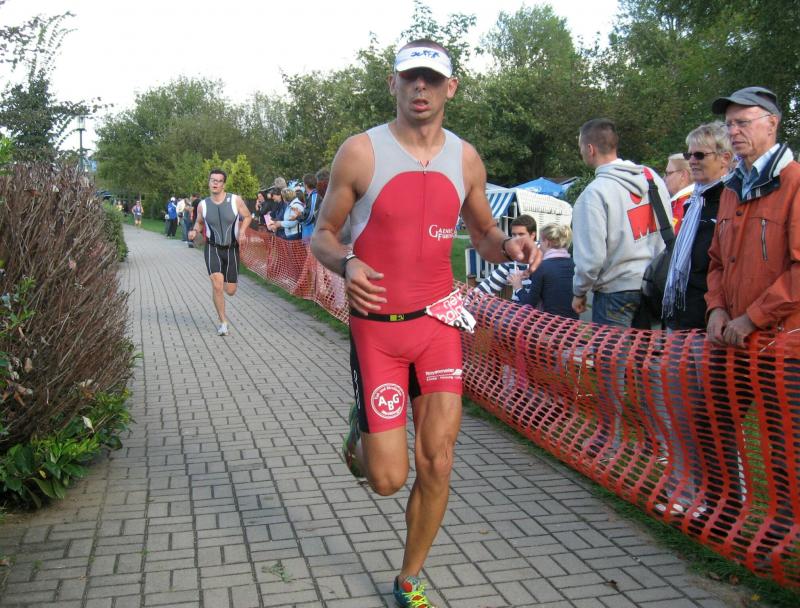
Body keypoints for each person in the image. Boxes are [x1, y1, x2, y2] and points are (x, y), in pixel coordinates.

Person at [310, 39, 536, 608]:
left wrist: (508, 245)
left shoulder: (466, 159)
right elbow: (322, 236)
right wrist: (347, 262)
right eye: (410, 76)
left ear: (449, 88)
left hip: (438, 326)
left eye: (432, 79)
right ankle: (362, 432)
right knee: (387, 479)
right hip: (377, 331)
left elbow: (483, 233)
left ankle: (409, 578)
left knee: (438, 461)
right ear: (393, 83)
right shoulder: (360, 152)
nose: (420, 87)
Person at [704, 86, 799, 534]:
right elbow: (717, 263)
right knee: (712, 422)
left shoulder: (794, 182)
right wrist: (716, 309)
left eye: (743, 122)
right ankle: (724, 515)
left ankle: (780, 535)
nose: (734, 131)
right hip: (730, 341)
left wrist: (752, 318)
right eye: (730, 124)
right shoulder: (731, 188)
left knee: (783, 443)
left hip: (782, 344)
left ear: (772, 124)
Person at [653, 122, 733, 517]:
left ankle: (721, 501)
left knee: (710, 422)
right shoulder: (695, 203)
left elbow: (721, 266)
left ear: (725, 159)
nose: (692, 161)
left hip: (707, 327)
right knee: (680, 415)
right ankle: (686, 492)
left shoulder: (729, 203)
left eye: (700, 155)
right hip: (678, 323)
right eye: (689, 154)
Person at [571, 118, 671, 327]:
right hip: (657, 285)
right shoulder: (652, 178)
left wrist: (579, 291)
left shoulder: (593, 194)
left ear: (590, 149)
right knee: (651, 349)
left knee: (612, 350)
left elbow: (591, 260)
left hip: (615, 292)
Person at [187, 168, 252, 336]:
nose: (215, 183)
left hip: (231, 248)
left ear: (224, 184)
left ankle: (223, 285)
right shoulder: (203, 205)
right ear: (209, 182)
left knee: (230, 290)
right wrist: (194, 230)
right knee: (217, 285)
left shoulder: (235, 200)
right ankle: (223, 323)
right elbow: (199, 222)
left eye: (219, 181)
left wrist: (242, 231)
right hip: (213, 248)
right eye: (212, 180)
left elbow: (248, 216)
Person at [516, 223, 578, 319]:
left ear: (547, 242)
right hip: (573, 324)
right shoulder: (574, 264)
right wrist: (531, 275)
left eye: (540, 241)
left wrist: (518, 287)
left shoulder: (542, 267)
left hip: (550, 324)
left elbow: (529, 304)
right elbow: (556, 280)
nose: (539, 246)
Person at [474, 214, 541, 301]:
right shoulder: (511, 256)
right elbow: (491, 284)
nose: (516, 239)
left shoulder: (543, 253)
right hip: (517, 305)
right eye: (514, 235)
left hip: (537, 307)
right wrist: (468, 300)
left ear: (532, 235)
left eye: (521, 234)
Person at [664, 153, 694, 234]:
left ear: (683, 175)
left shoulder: (682, 204)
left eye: (668, 173)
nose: (664, 178)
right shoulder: (696, 198)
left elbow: (671, 237)